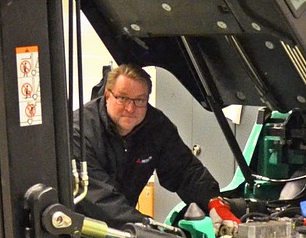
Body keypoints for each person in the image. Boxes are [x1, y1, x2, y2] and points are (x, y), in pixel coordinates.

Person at [73, 64, 222, 226]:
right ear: (108, 95)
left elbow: (184, 170)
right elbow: (99, 201)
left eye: (139, 100)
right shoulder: (79, 132)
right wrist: (147, 226)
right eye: (122, 98)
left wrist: (213, 202)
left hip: (124, 226)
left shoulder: (156, 126)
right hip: (79, 231)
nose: (130, 108)